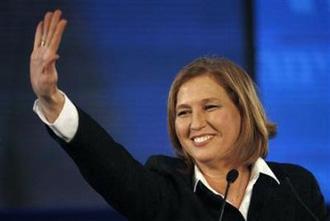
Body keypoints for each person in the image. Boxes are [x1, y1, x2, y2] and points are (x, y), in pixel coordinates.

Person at [30, 10, 327, 221]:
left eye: (210, 106)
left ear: (244, 112)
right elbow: (108, 165)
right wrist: (52, 100)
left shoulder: (296, 186)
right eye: (183, 112)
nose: (195, 124)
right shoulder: (165, 190)